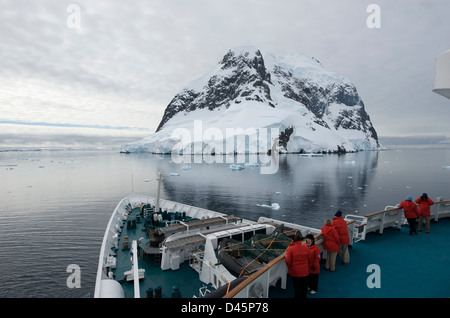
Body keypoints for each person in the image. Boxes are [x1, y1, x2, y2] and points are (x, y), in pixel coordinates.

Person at [285, 232, 312, 299]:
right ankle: (304, 296)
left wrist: (290, 268)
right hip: (305, 270)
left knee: (297, 286)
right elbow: (309, 258)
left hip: (295, 271)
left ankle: (297, 296)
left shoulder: (291, 249)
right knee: (304, 285)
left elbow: (288, 261)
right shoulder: (306, 246)